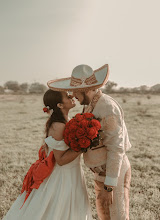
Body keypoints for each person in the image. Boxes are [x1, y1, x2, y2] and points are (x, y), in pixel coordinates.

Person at [47, 64, 132, 220]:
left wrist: (109, 186)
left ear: (86, 90)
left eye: (75, 92)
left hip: (113, 174)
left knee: (118, 216)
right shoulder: (89, 105)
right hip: (100, 173)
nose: (73, 95)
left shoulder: (107, 106)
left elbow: (116, 148)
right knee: (104, 216)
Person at [3, 89, 92, 220]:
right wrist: (85, 144)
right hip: (62, 177)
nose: (71, 96)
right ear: (60, 105)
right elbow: (60, 160)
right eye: (67, 96)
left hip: (73, 172)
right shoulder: (58, 126)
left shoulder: (66, 121)